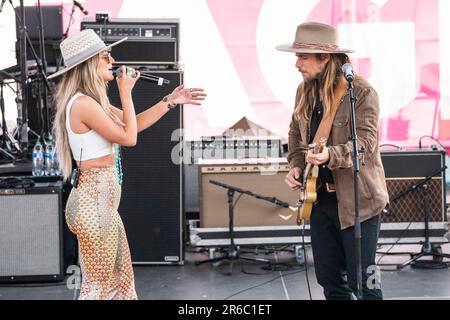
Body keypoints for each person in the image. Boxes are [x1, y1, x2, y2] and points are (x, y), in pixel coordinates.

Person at [50, 29, 206, 300]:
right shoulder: (83, 104)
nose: (112, 61)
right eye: (104, 56)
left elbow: (134, 123)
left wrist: (170, 101)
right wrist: (125, 91)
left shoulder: (94, 103)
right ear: (88, 65)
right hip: (93, 205)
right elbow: (129, 137)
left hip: (101, 205)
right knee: (101, 288)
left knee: (119, 283)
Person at [278, 22, 389, 300]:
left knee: (364, 285)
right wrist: (296, 164)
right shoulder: (304, 91)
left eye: (303, 56)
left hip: (357, 202)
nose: (297, 64)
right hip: (320, 202)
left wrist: (331, 155)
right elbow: (295, 131)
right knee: (329, 281)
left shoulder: (361, 93)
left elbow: (366, 144)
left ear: (324, 57)